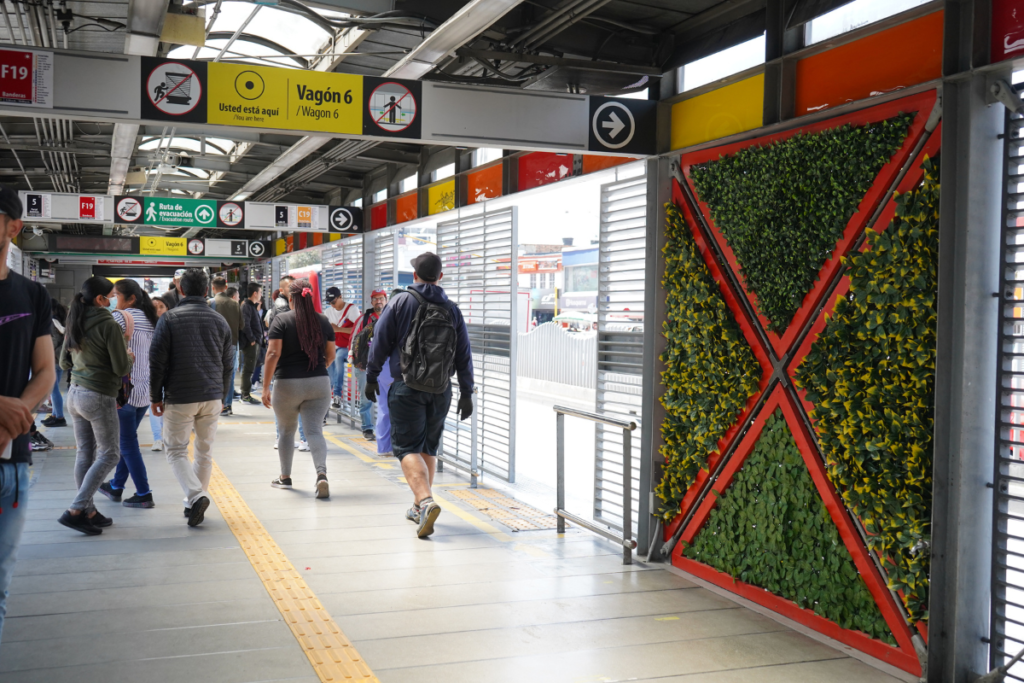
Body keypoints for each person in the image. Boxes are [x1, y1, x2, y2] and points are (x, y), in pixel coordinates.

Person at [365, 253, 474, 538]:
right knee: (428, 446)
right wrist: (466, 392)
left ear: (414, 276)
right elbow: (464, 354)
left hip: (407, 387)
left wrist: (371, 375)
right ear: (440, 278)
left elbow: (380, 341)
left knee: (406, 448)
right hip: (441, 390)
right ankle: (418, 506)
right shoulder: (452, 309)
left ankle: (425, 502)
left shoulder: (401, 301)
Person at [0, 185, 55, 643]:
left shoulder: (31, 295)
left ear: (12, 227)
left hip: (11, 466)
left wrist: (17, 409)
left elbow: (46, 371)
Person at [150, 268, 233, 527]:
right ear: (206, 291)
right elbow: (228, 363)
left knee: (175, 449)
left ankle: (196, 496)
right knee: (204, 451)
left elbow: (157, 361)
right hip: (211, 396)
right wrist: (222, 395)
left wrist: (155, 396)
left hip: (180, 395)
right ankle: (193, 502)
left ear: (181, 290)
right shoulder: (220, 321)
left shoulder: (170, 318)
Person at [58, 276, 133, 535]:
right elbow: (121, 367)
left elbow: (63, 363)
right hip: (98, 395)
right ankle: (76, 509)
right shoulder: (108, 324)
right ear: (100, 299)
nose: (113, 299)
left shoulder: (74, 320)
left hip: (75, 395)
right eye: (110, 295)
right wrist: (128, 353)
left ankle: (88, 511)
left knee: (85, 454)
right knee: (110, 454)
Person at [262, 279, 335, 498]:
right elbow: (330, 355)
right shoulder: (323, 321)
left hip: (287, 385)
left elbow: (273, 354)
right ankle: (321, 474)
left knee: (286, 430)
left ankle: (285, 478)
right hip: (319, 384)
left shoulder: (281, 320)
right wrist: (316, 368)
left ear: (290, 298)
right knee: (314, 431)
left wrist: (266, 386)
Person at [98, 279, 159, 509]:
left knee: (127, 444)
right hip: (144, 391)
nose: (113, 299)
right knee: (128, 441)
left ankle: (144, 493)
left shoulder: (119, 318)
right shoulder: (153, 320)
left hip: (124, 391)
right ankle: (116, 487)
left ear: (130, 298)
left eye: (116, 295)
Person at [350, 289, 387, 440]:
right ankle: (367, 428)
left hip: (386, 367)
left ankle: (386, 431)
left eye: (381, 298)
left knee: (387, 400)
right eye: (375, 299)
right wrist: (356, 361)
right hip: (364, 366)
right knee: (366, 399)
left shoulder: (392, 317)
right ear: (371, 302)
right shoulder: (363, 319)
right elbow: (353, 340)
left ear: (386, 299)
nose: (378, 301)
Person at [323, 287, 359, 411]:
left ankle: (337, 394)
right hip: (333, 346)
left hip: (347, 347)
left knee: (338, 358)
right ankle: (324, 409)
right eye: (329, 302)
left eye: (333, 302)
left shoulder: (352, 309)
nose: (331, 305)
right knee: (329, 375)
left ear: (340, 297)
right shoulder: (328, 312)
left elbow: (359, 330)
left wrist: (339, 329)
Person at [210, 277, 242, 416]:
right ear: (226, 286)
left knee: (213, 372)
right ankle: (227, 405)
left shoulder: (210, 303)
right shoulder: (235, 304)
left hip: (213, 345)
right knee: (229, 374)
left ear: (213, 287)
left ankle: (215, 403)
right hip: (231, 344)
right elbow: (242, 325)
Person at [42, 299, 68, 427]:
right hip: (59, 359)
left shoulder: (52, 322)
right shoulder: (60, 320)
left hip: (53, 359)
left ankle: (59, 417)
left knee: (53, 390)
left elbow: (53, 341)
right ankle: (54, 415)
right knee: (54, 388)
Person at [149, 295, 170, 452]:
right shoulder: (145, 326)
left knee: (168, 406)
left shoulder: (172, 326)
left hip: (170, 373)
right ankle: (157, 438)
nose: (158, 310)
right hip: (150, 373)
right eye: (154, 306)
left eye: (161, 306)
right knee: (154, 406)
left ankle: (166, 436)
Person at [240, 283, 263, 405]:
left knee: (250, 368)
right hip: (251, 343)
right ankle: (245, 394)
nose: (261, 295)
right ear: (255, 293)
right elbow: (245, 324)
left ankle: (246, 392)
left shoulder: (251, 306)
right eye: (260, 292)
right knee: (248, 369)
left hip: (254, 342)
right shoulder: (246, 306)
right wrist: (252, 339)